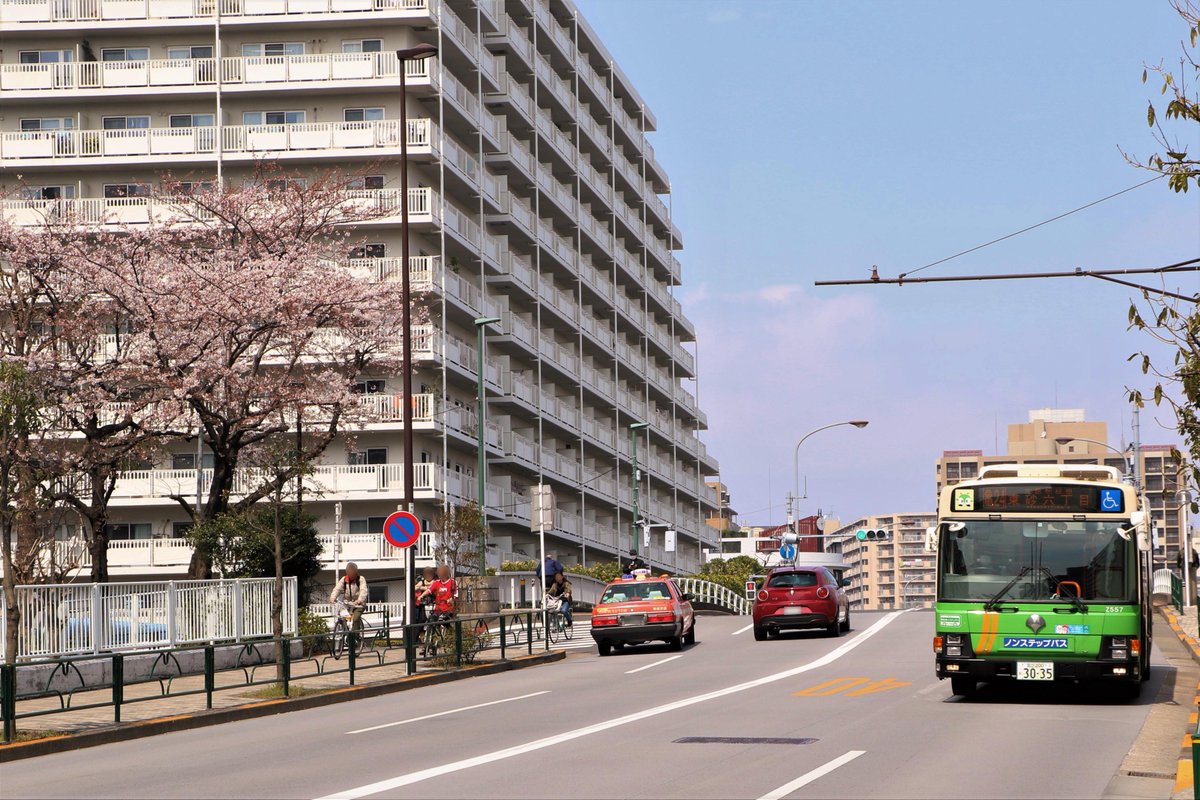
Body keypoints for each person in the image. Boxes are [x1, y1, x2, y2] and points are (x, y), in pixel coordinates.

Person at [329, 562, 368, 632]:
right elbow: (337, 589)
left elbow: (363, 590)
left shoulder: (361, 579)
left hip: (359, 605)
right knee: (343, 618)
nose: (351, 575)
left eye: (353, 573)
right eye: (349, 573)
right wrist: (333, 597)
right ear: (347, 572)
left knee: (355, 618)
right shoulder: (344, 579)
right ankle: (346, 633)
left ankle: (355, 635)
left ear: (356, 573)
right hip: (347, 604)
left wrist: (360, 600)